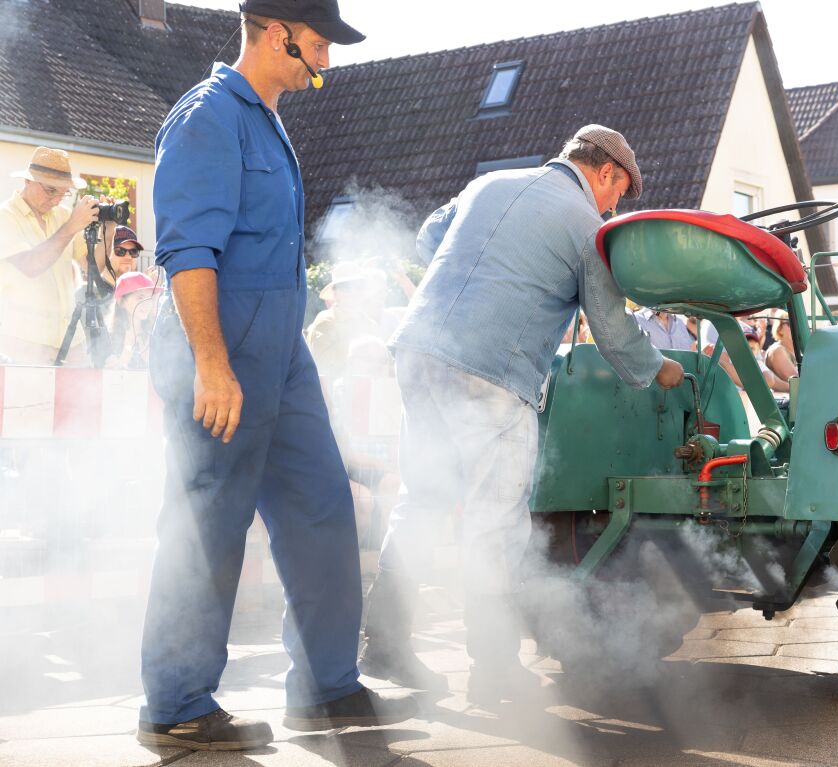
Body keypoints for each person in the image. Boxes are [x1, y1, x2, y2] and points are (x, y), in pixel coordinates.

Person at [138, 0, 414, 752]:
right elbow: (188, 254)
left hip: (281, 356)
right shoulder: (207, 118)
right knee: (207, 524)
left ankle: (326, 688)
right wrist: (213, 365)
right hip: (220, 353)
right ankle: (175, 702)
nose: (325, 60)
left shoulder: (266, 117)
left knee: (322, 503)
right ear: (272, 29)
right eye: (318, 43)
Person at [361, 124, 686, 704]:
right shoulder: (588, 228)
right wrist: (661, 369)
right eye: (618, 193)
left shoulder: (490, 183)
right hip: (490, 371)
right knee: (495, 521)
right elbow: (613, 332)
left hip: (418, 351)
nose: (614, 206)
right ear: (605, 172)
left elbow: (430, 236)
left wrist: (484, 279)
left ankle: (384, 642)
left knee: (425, 496)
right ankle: (492, 670)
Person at [0, 147, 114, 365]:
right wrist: (71, 226)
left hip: (71, 342)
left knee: (77, 400)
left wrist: (109, 231)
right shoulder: (5, 216)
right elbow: (31, 266)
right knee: (29, 400)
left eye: (63, 193)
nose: (56, 200)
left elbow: (92, 269)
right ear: (28, 181)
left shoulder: (62, 215)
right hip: (24, 342)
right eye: (51, 190)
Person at [107, 271, 163, 368]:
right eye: (140, 297)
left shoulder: (154, 334)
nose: (147, 304)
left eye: (150, 298)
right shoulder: (109, 338)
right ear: (121, 301)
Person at [765, 310, 799, 383]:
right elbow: (796, 381)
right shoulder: (777, 350)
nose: (795, 326)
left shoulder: (799, 350)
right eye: (790, 324)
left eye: (798, 323)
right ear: (779, 329)